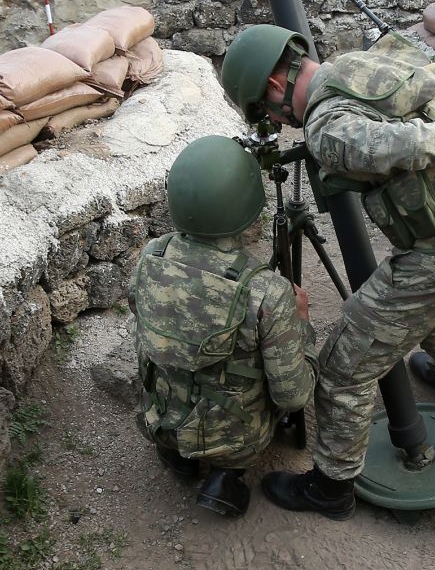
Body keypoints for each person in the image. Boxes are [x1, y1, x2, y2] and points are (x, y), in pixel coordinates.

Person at [218, 24, 435, 520]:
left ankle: (330, 489)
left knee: (341, 369)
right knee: (414, 307)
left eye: (266, 111)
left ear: (273, 86)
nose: (276, 122)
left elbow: (399, 147)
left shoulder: (329, 127)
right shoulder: (354, 68)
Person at [130, 134, 317, 518]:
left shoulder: (152, 255)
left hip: (158, 418)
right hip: (233, 439)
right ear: (247, 206)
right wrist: (303, 325)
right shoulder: (265, 290)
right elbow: (293, 397)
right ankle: (226, 476)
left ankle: (176, 454)